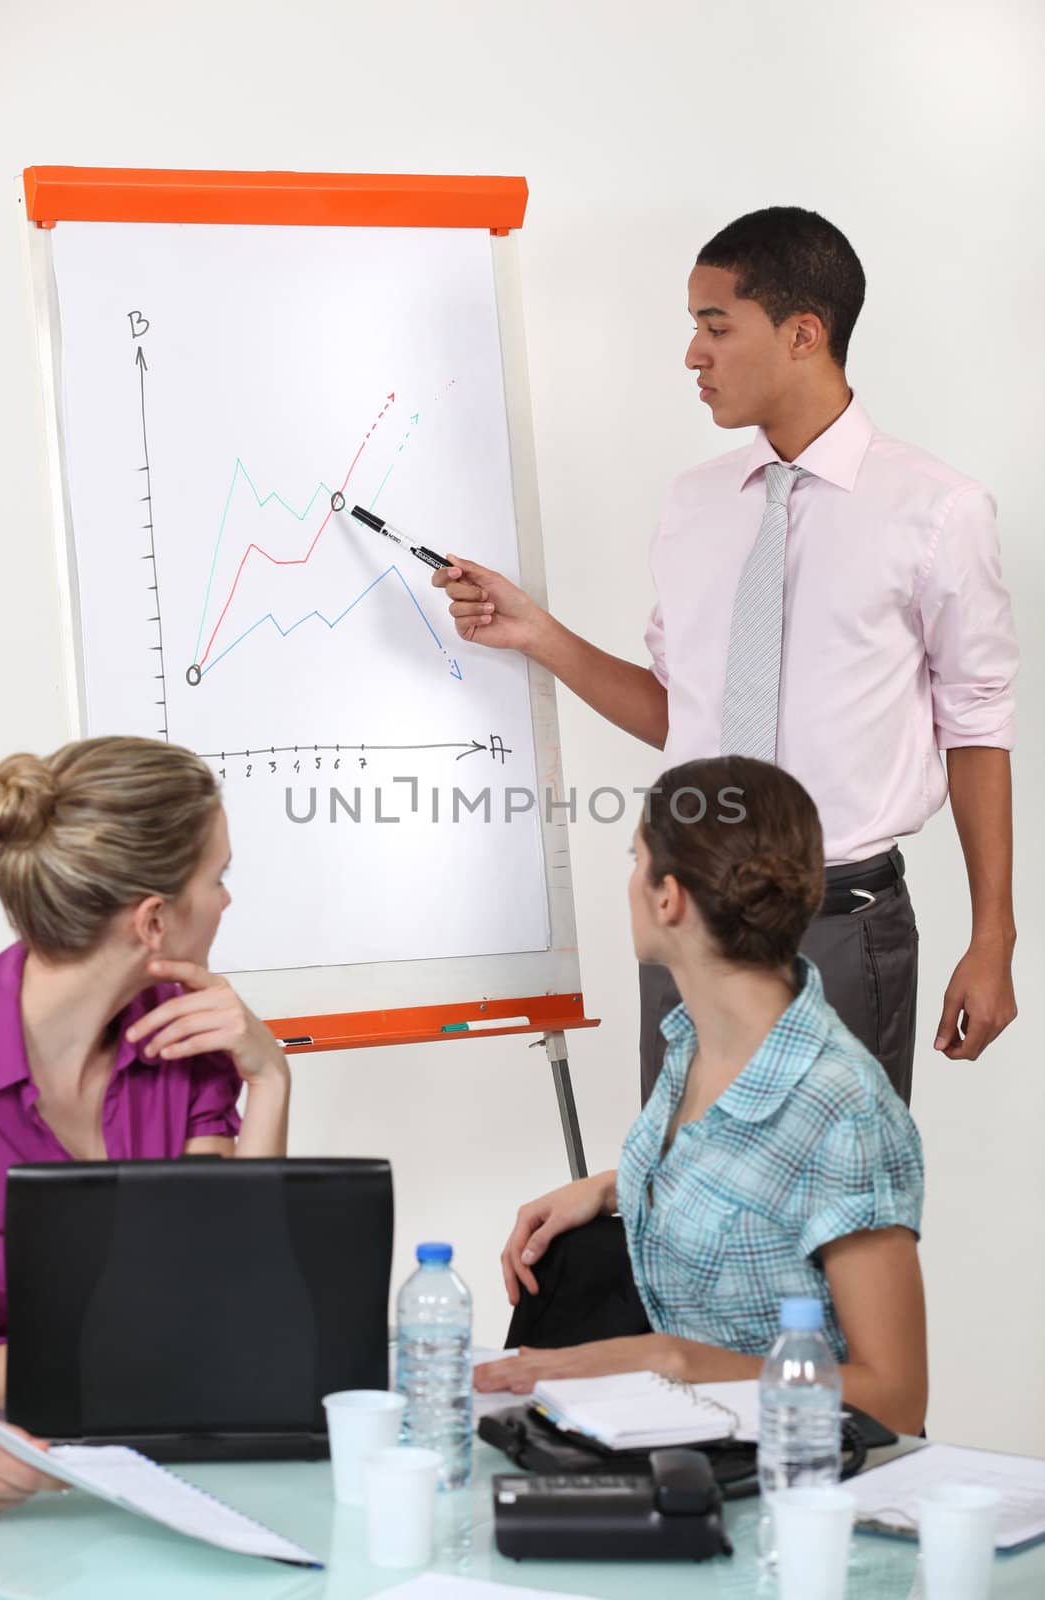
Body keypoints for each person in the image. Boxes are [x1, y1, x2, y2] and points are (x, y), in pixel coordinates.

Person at [434, 206, 1018, 1107]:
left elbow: (977, 722)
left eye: (715, 326)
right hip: (688, 917)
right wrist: (536, 632)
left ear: (801, 333)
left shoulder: (936, 511)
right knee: (675, 1206)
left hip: (837, 925)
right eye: (691, 327)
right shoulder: (696, 505)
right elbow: (685, 713)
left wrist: (992, 938)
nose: (691, 355)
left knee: (835, 1220)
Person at [475, 758, 928, 1437]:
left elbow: (893, 1399)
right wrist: (613, 1186)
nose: (628, 881)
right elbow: (753, 1180)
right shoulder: (695, 1041)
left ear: (668, 897)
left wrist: (670, 1359)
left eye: (636, 860)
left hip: (805, 1482)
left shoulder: (841, 1109)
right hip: (698, 1445)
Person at [0, 736, 292, 1407]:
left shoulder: (185, 1036)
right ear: (153, 919)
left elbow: (237, 1294)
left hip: (152, 1434)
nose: (225, 902)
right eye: (217, 878)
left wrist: (269, 1081)